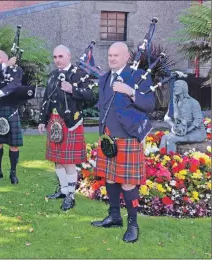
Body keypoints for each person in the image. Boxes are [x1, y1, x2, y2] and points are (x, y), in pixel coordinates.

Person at [91, 42, 155, 243]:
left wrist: (130, 91)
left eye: (116, 55)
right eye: (110, 55)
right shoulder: (104, 78)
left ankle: (133, 225)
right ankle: (114, 216)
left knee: (128, 183)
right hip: (109, 137)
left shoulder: (138, 76)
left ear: (127, 56)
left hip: (128, 137)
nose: (111, 58)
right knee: (110, 178)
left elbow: (150, 104)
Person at [38, 45, 93, 211]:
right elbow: (47, 99)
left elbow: (90, 95)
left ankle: (71, 195)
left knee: (68, 161)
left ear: (68, 56)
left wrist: (73, 89)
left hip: (71, 121)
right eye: (55, 57)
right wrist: (42, 120)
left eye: (60, 56)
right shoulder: (53, 75)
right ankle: (63, 191)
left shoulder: (79, 74)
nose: (57, 60)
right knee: (57, 159)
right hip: (54, 121)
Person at [0, 50, 23, 184]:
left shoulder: (17, 70)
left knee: (14, 144)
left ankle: (13, 173)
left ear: (7, 58)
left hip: (11, 109)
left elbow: (16, 85)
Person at [160, 80, 207, 153]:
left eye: (177, 87)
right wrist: (174, 126)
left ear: (183, 88)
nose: (174, 88)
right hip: (182, 131)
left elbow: (198, 120)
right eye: (174, 87)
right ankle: (160, 159)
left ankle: (171, 161)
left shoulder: (193, 102)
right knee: (164, 137)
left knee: (171, 139)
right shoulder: (174, 103)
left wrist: (186, 131)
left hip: (196, 132)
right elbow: (170, 119)